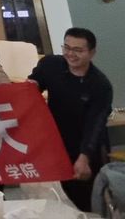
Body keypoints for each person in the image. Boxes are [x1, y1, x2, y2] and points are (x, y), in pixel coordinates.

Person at [28, 27, 113, 212]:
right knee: (56, 198)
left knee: (86, 201)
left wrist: (84, 158)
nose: (70, 54)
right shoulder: (51, 65)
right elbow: (34, 83)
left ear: (92, 53)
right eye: (66, 47)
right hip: (57, 142)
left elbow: (95, 126)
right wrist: (32, 85)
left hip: (87, 147)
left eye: (78, 50)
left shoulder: (100, 85)